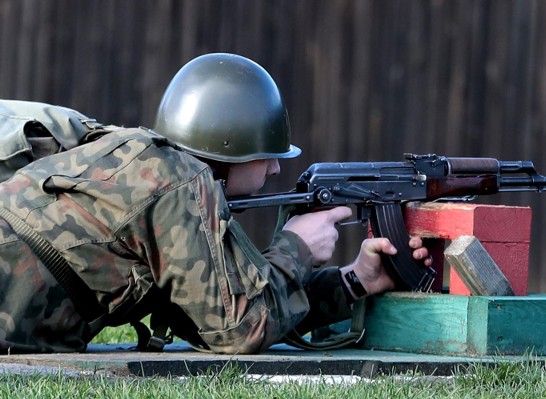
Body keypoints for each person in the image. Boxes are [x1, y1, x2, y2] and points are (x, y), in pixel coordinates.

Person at [0, 53, 432, 354]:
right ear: (232, 147)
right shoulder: (179, 181)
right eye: (268, 154)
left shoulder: (149, 171)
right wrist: (296, 247)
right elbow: (242, 329)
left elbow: (215, 316)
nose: (275, 170)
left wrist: (355, 279)